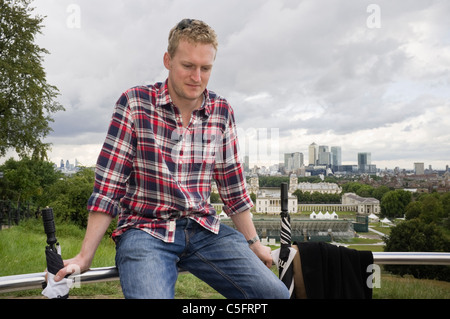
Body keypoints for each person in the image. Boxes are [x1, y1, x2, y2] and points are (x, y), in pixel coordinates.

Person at [54, 18, 290, 299]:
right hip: (146, 231)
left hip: (204, 229)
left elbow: (233, 188)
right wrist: (85, 256)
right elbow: (109, 186)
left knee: (275, 295)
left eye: (206, 68)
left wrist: (254, 243)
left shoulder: (221, 111)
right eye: (188, 66)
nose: (197, 77)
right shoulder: (135, 104)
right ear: (168, 60)